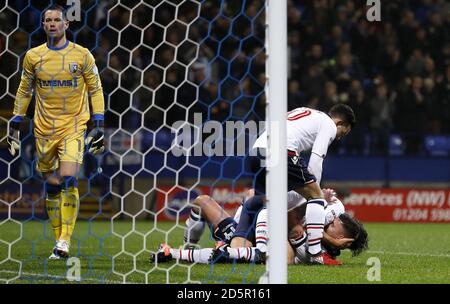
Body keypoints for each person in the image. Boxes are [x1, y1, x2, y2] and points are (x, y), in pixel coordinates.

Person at [7, 5, 105, 259]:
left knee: (68, 178)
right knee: (51, 185)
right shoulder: (33, 56)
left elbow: (95, 89)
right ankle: (57, 236)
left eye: (56, 20)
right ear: (43, 25)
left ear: (66, 24)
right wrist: (16, 122)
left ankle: (64, 241)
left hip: (74, 126)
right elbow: (24, 90)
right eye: (48, 20)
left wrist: (98, 121)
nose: (52, 24)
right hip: (43, 129)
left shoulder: (82, 55)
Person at [151, 189, 368, 266]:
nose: (329, 222)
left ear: (343, 238)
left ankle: (177, 253)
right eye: (332, 220)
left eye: (334, 226)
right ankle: (189, 245)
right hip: (255, 223)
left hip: (257, 233)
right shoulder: (315, 230)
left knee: (279, 251)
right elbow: (290, 217)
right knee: (201, 201)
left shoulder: (319, 250)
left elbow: (290, 220)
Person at [251, 104, 356, 261]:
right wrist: (315, 191)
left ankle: (256, 249)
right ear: (339, 122)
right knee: (316, 197)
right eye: (343, 132)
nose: (339, 137)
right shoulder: (328, 124)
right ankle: (315, 253)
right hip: (280, 150)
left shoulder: (307, 112)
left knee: (269, 204)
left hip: (257, 150)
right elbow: (316, 160)